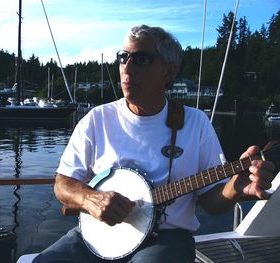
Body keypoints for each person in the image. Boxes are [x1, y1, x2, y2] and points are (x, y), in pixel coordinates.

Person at [33, 25, 275, 263]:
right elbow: (63, 184)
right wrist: (90, 199)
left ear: (169, 72)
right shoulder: (97, 119)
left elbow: (211, 203)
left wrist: (235, 186)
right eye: (123, 57)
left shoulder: (195, 123)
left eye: (141, 59)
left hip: (167, 239)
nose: (127, 67)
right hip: (100, 234)